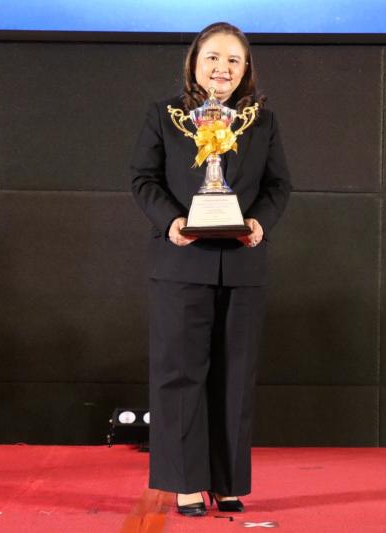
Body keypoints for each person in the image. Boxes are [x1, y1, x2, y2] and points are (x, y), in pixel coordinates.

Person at [130, 21, 291, 517]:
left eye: (233, 60)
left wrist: (260, 222)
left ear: (246, 70)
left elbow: (278, 185)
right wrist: (171, 222)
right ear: (195, 63)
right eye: (213, 58)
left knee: (235, 378)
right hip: (181, 262)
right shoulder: (166, 116)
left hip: (242, 265)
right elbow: (144, 179)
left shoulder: (260, 121)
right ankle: (184, 482)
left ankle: (226, 483)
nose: (222, 68)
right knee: (180, 375)